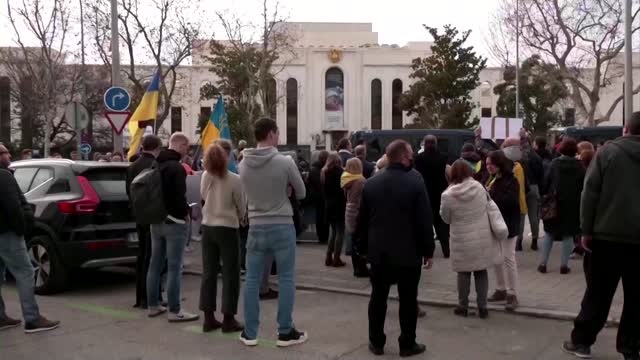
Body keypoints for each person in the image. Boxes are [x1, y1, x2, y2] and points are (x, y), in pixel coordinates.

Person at [562, 112, 640, 360]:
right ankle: (631, 347)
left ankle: (582, 341)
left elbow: (590, 193)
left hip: (605, 236)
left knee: (598, 292)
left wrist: (585, 231)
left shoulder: (607, 153)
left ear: (626, 129)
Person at [358, 140, 434, 357]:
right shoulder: (416, 181)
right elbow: (423, 220)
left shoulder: (371, 183)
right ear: (403, 157)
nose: (413, 158)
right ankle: (407, 344)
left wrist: (362, 249)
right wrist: (428, 250)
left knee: (378, 298)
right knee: (408, 300)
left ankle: (376, 341)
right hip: (408, 254)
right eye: (410, 154)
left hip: (379, 254)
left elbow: (362, 222)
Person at [238, 118, 307, 347]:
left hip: (256, 225)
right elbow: (302, 192)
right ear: (270, 134)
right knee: (286, 278)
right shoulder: (284, 161)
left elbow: (246, 194)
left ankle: (250, 333)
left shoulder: (243, 164)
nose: (278, 137)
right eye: (277, 133)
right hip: (282, 224)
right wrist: (285, 190)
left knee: (252, 280)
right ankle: (285, 331)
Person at [0, 144, 60, 333]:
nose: (9, 155)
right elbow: (13, 206)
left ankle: (1, 318)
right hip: (7, 233)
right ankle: (33, 319)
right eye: (5, 152)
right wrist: (22, 229)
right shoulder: (4, 176)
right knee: (26, 273)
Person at [146, 132, 199, 322]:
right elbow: (178, 197)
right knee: (175, 267)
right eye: (187, 147)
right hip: (174, 223)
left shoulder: (156, 164)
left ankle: (152, 305)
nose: (187, 151)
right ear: (181, 145)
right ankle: (175, 310)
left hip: (156, 220)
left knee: (155, 263)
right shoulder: (176, 168)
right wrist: (186, 214)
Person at [199, 143, 246, 333]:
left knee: (209, 272)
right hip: (227, 227)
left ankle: (208, 317)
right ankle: (228, 318)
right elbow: (241, 204)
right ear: (227, 156)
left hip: (208, 225)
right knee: (231, 273)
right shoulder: (234, 179)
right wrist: (242, 217)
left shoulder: (205, 176)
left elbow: (202, 195)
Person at [441, 160, 493, 319]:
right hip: (481, 236)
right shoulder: (479, 187)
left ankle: (462, 306)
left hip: (461, 238)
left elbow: (446, 219)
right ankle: (483, 307)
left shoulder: (447, 195)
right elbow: (487, 206)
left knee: (463, 272)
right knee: (481, 270)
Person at [538, 137, 585, 275]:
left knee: (549, 233)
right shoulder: (580, 166)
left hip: (554, 203)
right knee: (568, 235)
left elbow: (545, 182)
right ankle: (564, 265)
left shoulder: (554, 164)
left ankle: (543, 263)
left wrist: (545, 195)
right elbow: (584, 186)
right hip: (572, 204)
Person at [126, 135, 163, 309]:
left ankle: (139, 297)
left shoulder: (132, 166)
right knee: (153, 258)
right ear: (157, 148)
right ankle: (150, 298)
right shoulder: (154, 166)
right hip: (153, 217)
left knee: (141, 256)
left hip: (138, 216)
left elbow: (129, 191)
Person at [485, 150, 521, 311]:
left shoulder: (511, 180)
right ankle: (500, 289)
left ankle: (512, 293)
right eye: (486, 164)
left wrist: (491, 196)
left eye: (491, 164)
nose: (488, 167)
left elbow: (511, 202)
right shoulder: (489, 179)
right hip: (493, 225)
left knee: (508, 258)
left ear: (499, 164)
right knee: (496, 259)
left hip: (508, 225)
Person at [414, 135, 450, 258]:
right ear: (436, 144)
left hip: (425, 193)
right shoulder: (443, 157)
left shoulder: (418, 158)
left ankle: (427, 251)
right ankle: (446, 250)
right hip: (440, 193)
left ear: (424, 144)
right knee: (442, 224)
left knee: (427, 224)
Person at [341, 157, 368, 278]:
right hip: (358, 211)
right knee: (360, 240)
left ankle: (356, 267)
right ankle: (361, 268)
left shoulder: (347, 179)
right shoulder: (361, 181)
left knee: (353, 240)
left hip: (349, 210)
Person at [502, 137, 529, 252]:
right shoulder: (516, 165)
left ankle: (516, 242)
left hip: (514, 200)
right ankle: (516, 242)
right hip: (514, 200)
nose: (520, 149)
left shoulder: (517, 164)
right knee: (517, 223)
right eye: (518, 146)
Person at [322, 152, 346, 267]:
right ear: (338, 161)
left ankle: (328, 257)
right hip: (339, 205)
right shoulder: (341, 173)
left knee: (333, 232)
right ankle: (336, 258)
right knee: (340, 232)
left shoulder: (324, 172)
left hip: (328, 205)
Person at [522, 141, 543, 251]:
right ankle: (534, 240)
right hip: (534, 186)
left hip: (521, 186)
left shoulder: (517, 157)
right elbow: (541, 174)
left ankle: (519, 242)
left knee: (521, 215)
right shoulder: (536, 157)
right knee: (534, 216)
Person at [308, 150, 329, 244]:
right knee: (323, 218)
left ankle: (322, 237)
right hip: (322, 197)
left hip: (317, 197)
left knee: (320, 218)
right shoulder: (322, 170)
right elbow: (321, 184)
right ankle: (324, 237)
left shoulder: (313, 169)